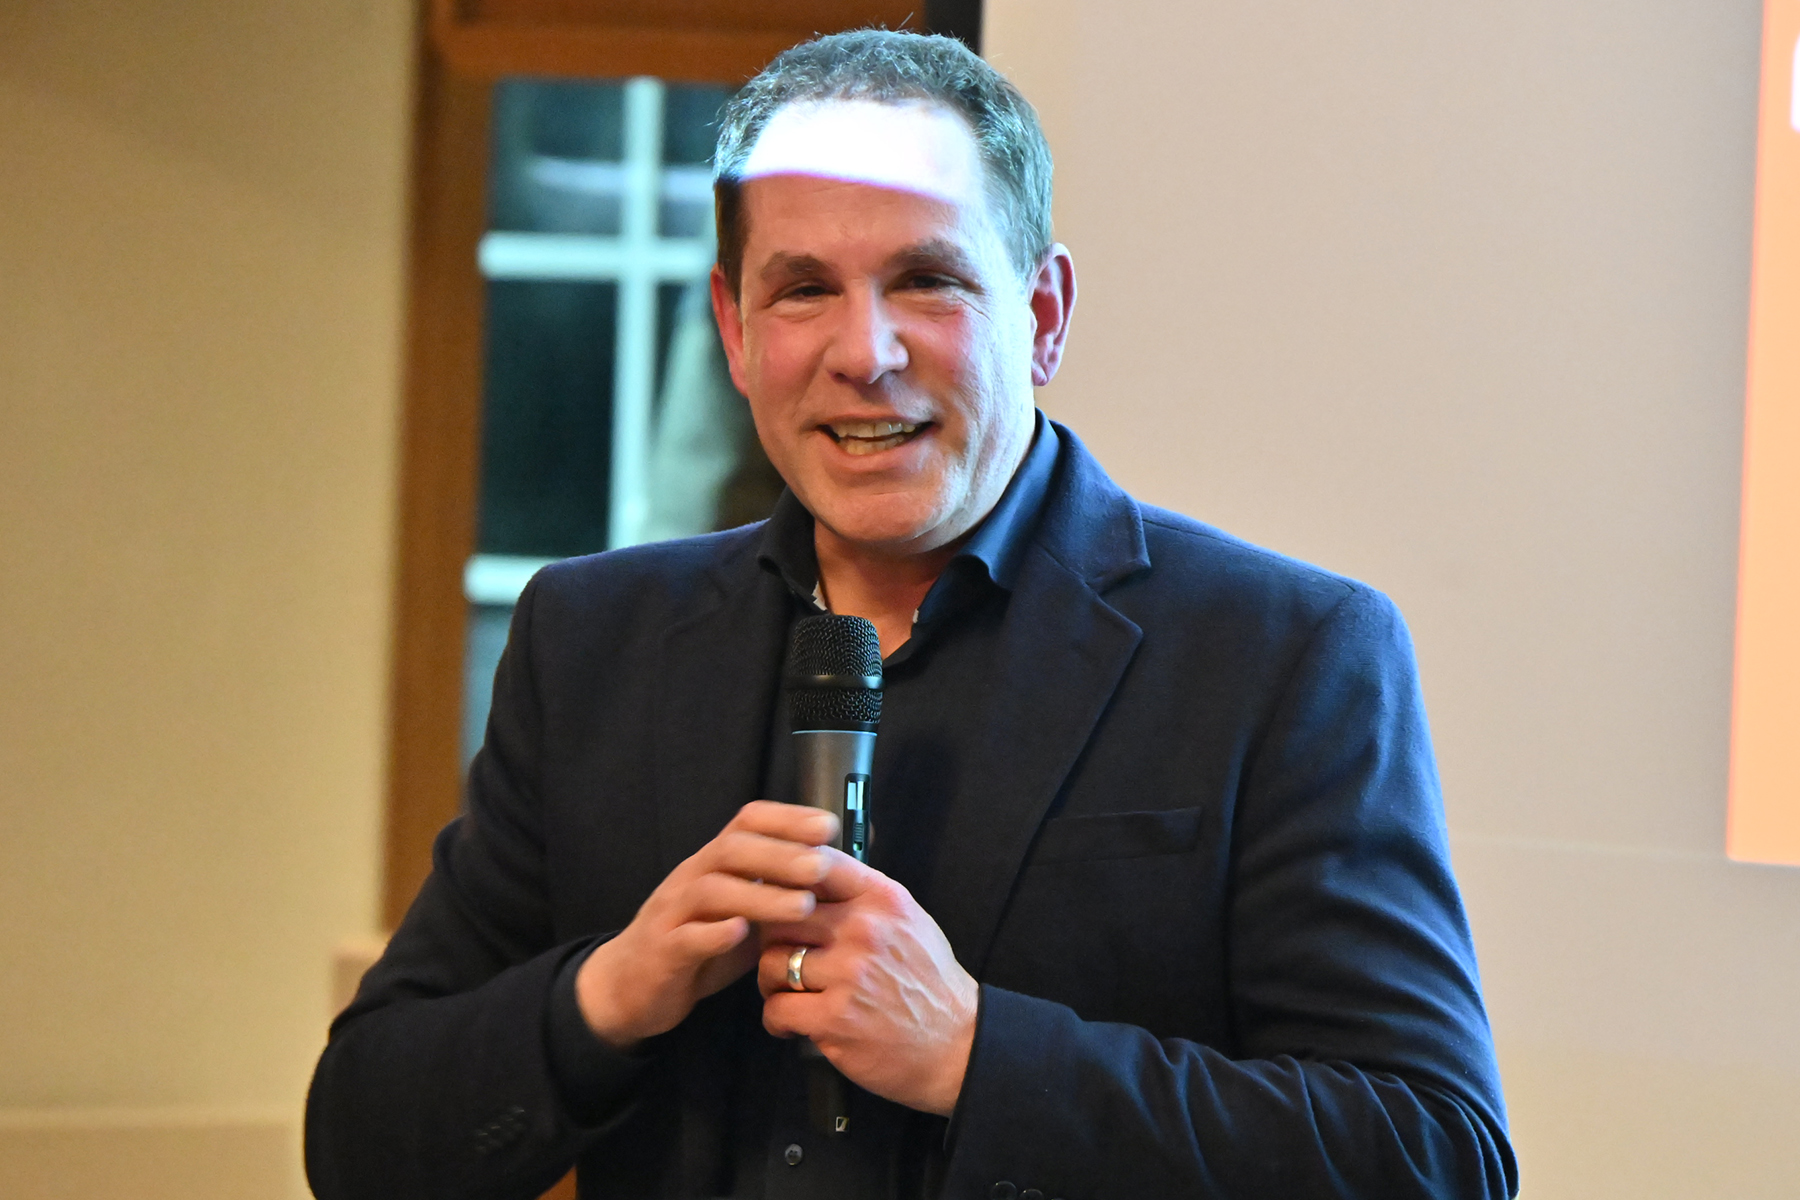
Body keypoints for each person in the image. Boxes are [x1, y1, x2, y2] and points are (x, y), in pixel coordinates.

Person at [306, 29, 1518, 1200]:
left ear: (1043, 313)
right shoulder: (591, 641)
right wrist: (607, 994)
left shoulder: (1284, 655)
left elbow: (1434, 1158)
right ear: (735, 330)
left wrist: (977, 1057)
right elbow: (362, 1142)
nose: (864, 352)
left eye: (927, 281)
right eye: (803, 291)